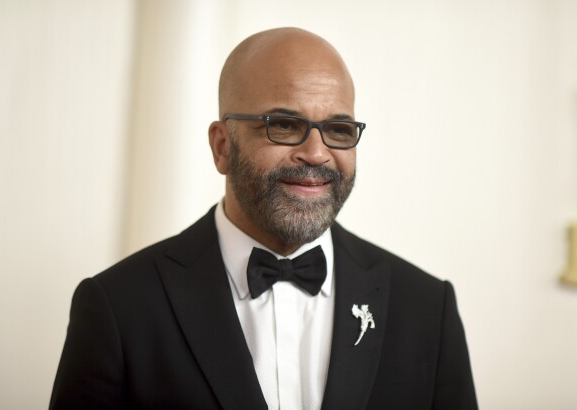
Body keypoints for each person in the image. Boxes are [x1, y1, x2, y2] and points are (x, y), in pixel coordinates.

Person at [50, 27, 477, 409]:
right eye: (285, 124)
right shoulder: (118, 306)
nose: (315, 153)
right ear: (222, 147)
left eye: (339, 130)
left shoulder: (427, 308)